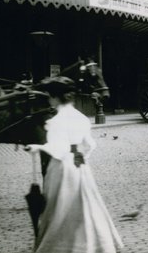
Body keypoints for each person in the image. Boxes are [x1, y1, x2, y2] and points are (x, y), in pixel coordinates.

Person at [26, 77, 123, 253]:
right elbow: (90, 144)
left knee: (60, 208)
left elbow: (59, 149)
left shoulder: (56, 121)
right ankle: (91, 244)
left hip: (62, 169)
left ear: (55, 97)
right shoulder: (81, 118)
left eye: (50, 96)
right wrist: (80, 156)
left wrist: (37, 147)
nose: (49, 100)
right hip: (80, 166)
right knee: (86, 205)